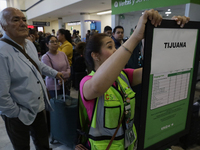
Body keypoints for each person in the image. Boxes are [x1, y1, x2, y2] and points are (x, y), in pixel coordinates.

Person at [78, 9, 189, 149]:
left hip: (130, 144)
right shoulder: (87, 83)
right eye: (109, 47)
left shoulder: (124, 76)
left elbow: (158, 68)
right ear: (95, 55)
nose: (115, 50)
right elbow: (97, 87)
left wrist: (171, 33)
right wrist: (135, 37)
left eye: (114, 46)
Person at [0, 7, 63, 150]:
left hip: (38, 107)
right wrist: (17, 114)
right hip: (18, 114)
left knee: (43, 144)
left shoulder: (29, 44)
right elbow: (1, 96)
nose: (23, 23)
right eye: (16, 20)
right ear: (3, 26)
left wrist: (54, 73)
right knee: (22, 147)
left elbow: (36, 64)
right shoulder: (2, 53)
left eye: (24, 19)